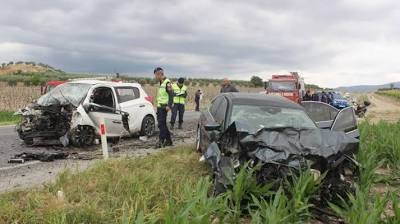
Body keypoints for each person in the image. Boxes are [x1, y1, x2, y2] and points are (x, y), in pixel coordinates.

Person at [154, 67, 173, 148]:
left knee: (161, 125)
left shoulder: (167, 82)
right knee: (162, 125)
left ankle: (161, 142)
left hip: (164, 107)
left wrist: (169, 105)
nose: (155, 77)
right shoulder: (161, 82)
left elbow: (171, 95)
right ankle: (169, 141)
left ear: (159, 74)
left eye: (155, 75)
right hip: (159, 106)